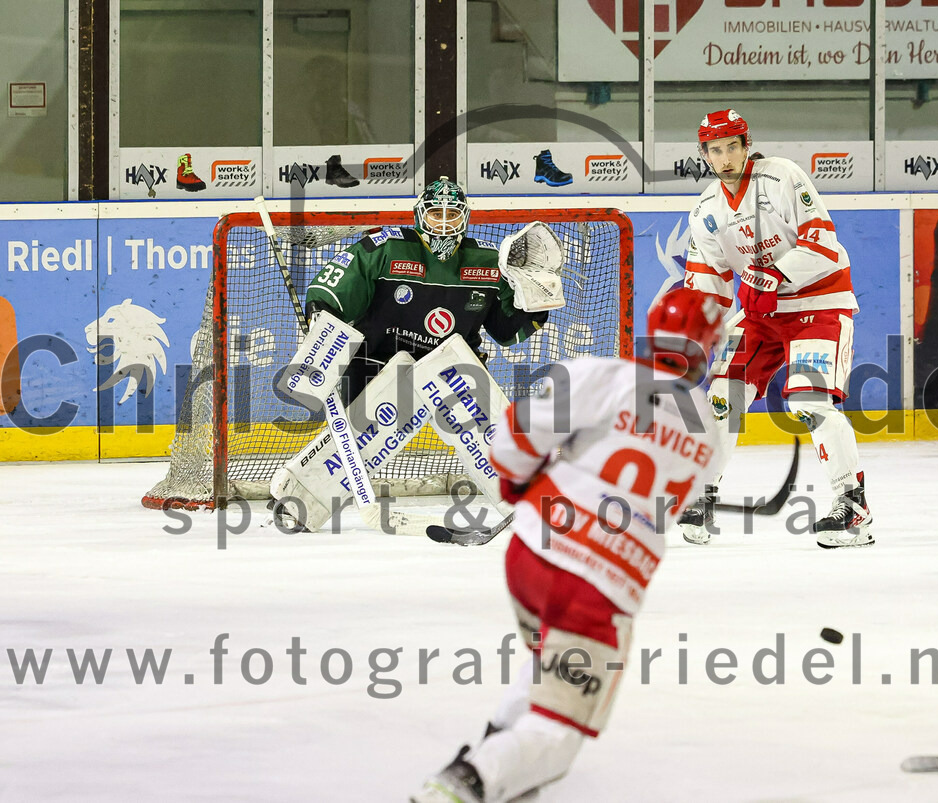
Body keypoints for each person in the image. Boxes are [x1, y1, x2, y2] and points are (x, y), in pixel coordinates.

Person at [412, 287, 725, 803]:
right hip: (599, 590)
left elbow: (512, 441)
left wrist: (518, 480)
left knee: (547, 661)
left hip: (531, 556)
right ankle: (468, 782)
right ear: (709, 349)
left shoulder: (603, 374)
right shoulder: (710, 434)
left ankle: (495, 753)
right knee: (558, 734)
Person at [676, 109, 873, 549]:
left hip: (818, 303)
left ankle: (853, 505)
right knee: (722, 397)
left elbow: (822, 242)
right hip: (761, 316)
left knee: (808, 401)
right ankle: (702, 496)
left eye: (732, 146)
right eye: (715, 150)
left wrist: (773, 276)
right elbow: (708, 285)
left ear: (747, 145)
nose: (725, 157)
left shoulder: (781, 176)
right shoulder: (705, 210)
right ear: (704, 155)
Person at [304, 176, 551, 401]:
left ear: (464, 217)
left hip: (452, 372)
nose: (444, 222)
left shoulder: (488, 261)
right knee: (360, 430)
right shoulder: (387, 248)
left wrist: (536, 299)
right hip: (376, 364)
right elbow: (333, 291)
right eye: (435, 213)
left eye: (452, 214)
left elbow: (506, 331)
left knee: (492, 430)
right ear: (420, 215)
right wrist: (320, 317)